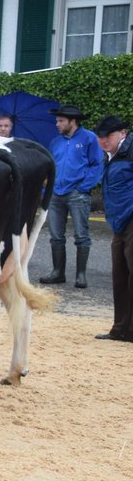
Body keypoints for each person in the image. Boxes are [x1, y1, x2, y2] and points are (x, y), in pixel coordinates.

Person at [39, 104, 104, 288]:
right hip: (55, 194)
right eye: (57, 120)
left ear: (73, 121)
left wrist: (84, 187)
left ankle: (80, 275)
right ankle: (58, 272)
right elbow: (50, 166)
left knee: (81, 235)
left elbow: (97, 165)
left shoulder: (89, 138)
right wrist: (47, 189)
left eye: (61, 121)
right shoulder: (55, 142)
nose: (57, 124)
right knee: (55, 236)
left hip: (77, 194)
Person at [94, 115, 133, 341]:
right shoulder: (109, 156)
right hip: (119, 221)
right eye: (100, 137)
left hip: (130, 217)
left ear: (122, 134)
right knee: (119, 275)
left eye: (108, 136)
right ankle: (120, 329)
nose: (103, 140)